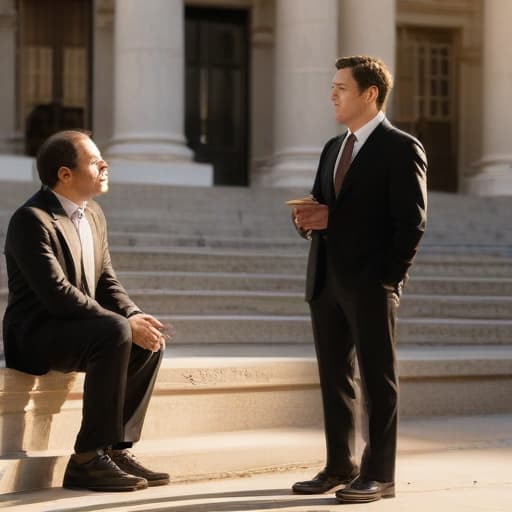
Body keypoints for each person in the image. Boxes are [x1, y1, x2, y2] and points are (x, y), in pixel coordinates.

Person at [2, 130, 174, 492]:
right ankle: (86, 460)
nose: (105, 166)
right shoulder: (31, 219)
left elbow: (106, 282)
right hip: (38, 333)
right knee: (117, 331)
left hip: (79, 328)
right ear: (65, 174)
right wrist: (125, 322)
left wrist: (135, 313)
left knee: (147, 338)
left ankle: (115, 447)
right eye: (96, 162)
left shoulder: (93, 213)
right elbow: (57, 295)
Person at [290, 56, 427, 504]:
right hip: (325, 280)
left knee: (377, 379)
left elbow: (410, 224)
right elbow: (326, 203)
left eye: (341, 88)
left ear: (370, 93)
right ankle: (338, 465)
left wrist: (390, 280)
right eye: (332, 86)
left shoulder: (401, 147)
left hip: (371, 282)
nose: (332, 94)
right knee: (335, 378)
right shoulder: (334, 147)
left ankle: (379, 474)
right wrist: (308, 218)